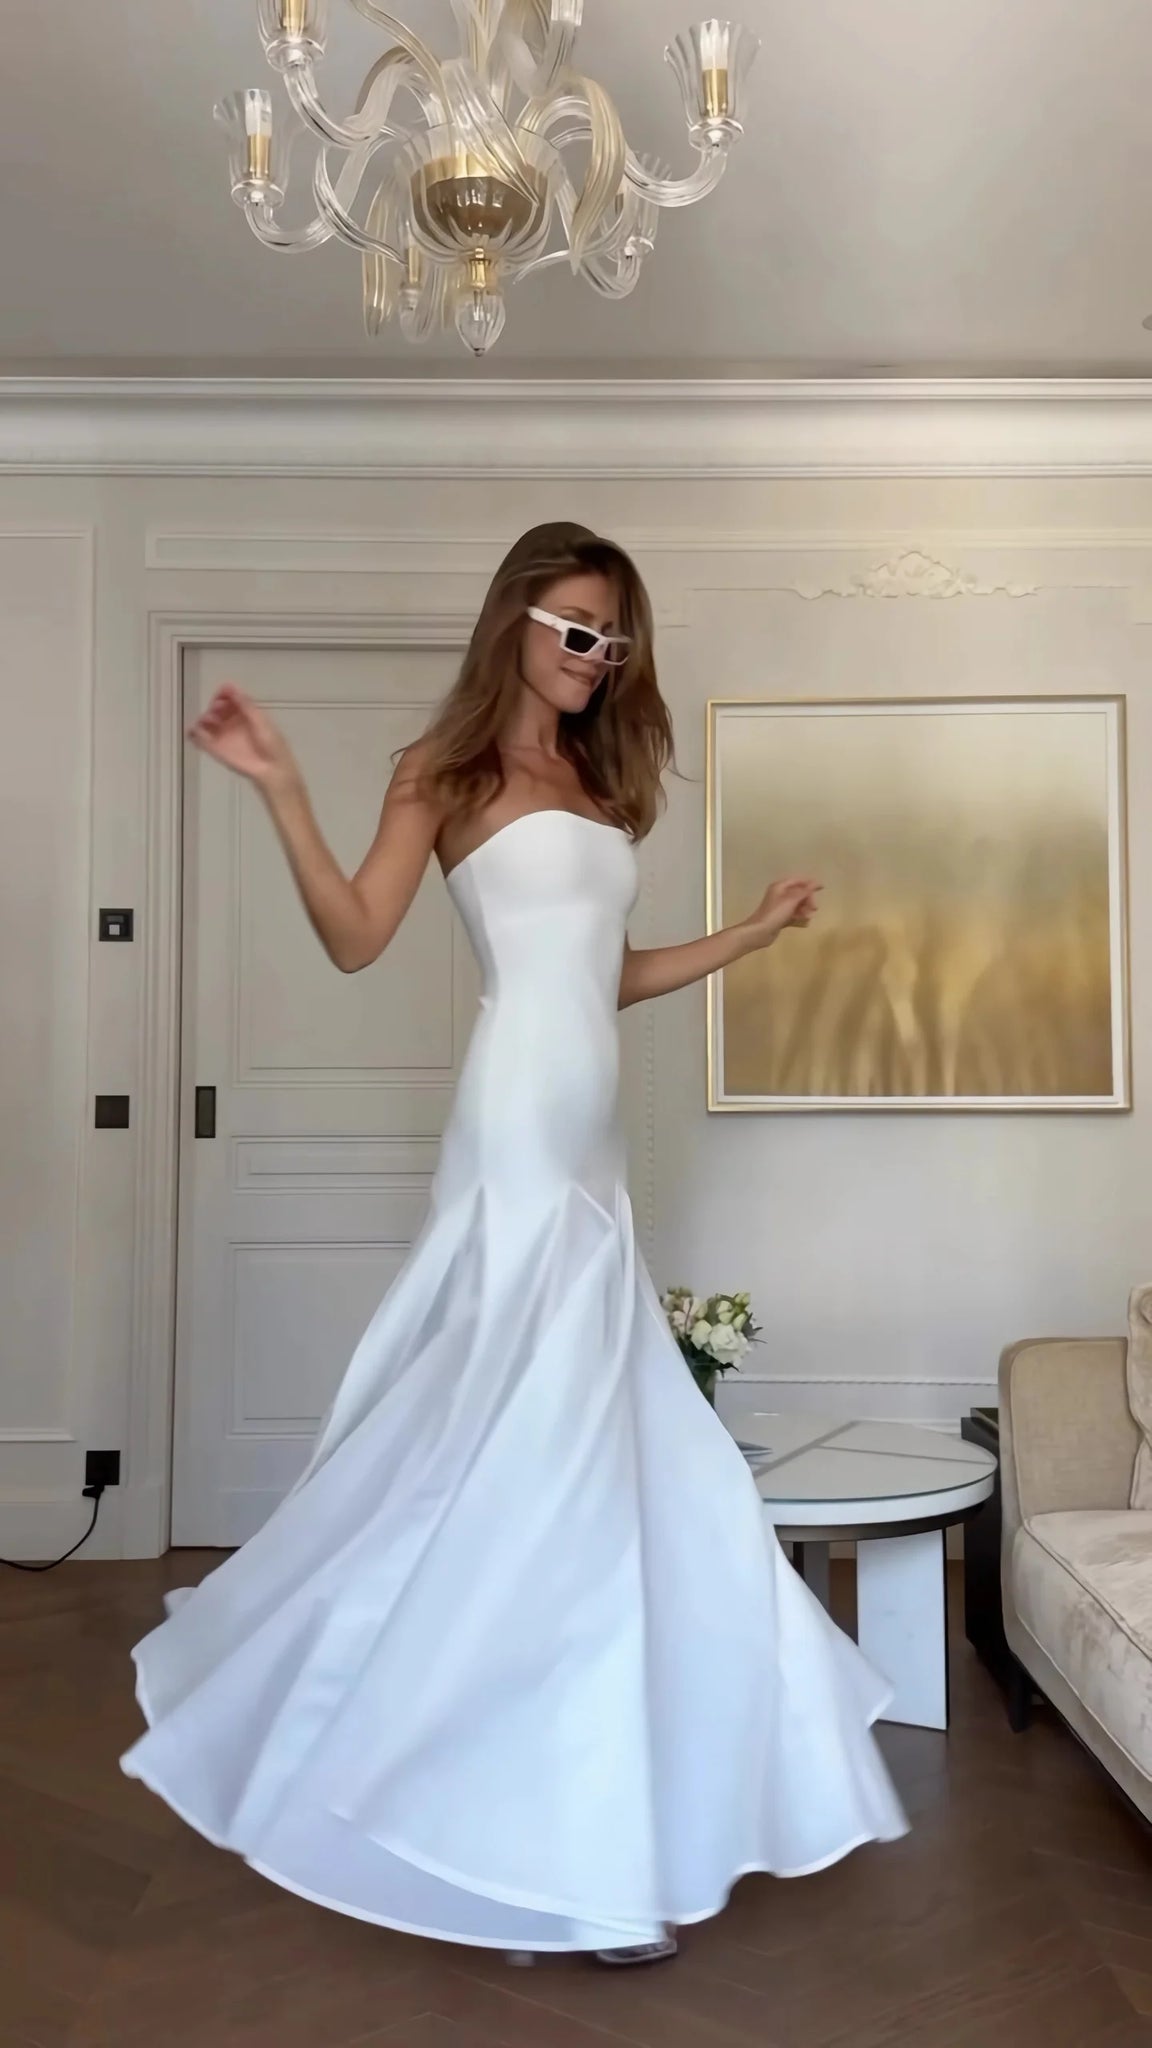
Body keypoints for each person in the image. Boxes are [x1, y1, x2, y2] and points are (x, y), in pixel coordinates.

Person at [121, 522, 906, 1966]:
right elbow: (356, 934)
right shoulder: (446, 773)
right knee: (538, 1446)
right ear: (519, 623)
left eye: (616, 640)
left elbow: (603, 979)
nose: (600, 659)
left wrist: (746, 936)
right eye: (580, 631)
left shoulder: (599, 789)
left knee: (589, 1451)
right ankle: (532, 1838)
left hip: (591, 1145)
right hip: (517, 1136)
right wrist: (283, 790)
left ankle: (564, 1816)